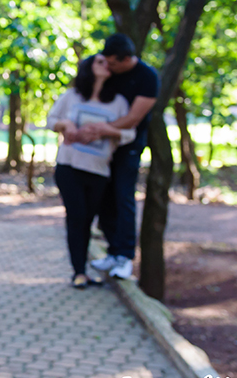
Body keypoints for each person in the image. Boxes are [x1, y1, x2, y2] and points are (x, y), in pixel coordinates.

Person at [48, 54, 135, 288]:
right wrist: (65, 125)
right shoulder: (71, 96)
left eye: (108, 61)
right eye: (99, 61)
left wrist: (107, 130)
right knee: (76, 218)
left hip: (99, 172)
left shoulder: (117, 102)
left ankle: (83, 271)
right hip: (69, 167)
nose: (106, 64)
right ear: (88, 68)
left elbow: (130, 134)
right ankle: (78, 272)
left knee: (87, 220)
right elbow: (51, 120)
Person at [84, 33, 159, 280]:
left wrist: (102, 129)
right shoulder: (107, 69)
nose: (109, 67)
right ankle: (113, 251)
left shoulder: (147, 78)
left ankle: (125, 256)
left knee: (122, 195)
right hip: (100, 145)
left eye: (113, 63)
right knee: (103, 196)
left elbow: (133, 119)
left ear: (126, 59)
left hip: (127, 146)